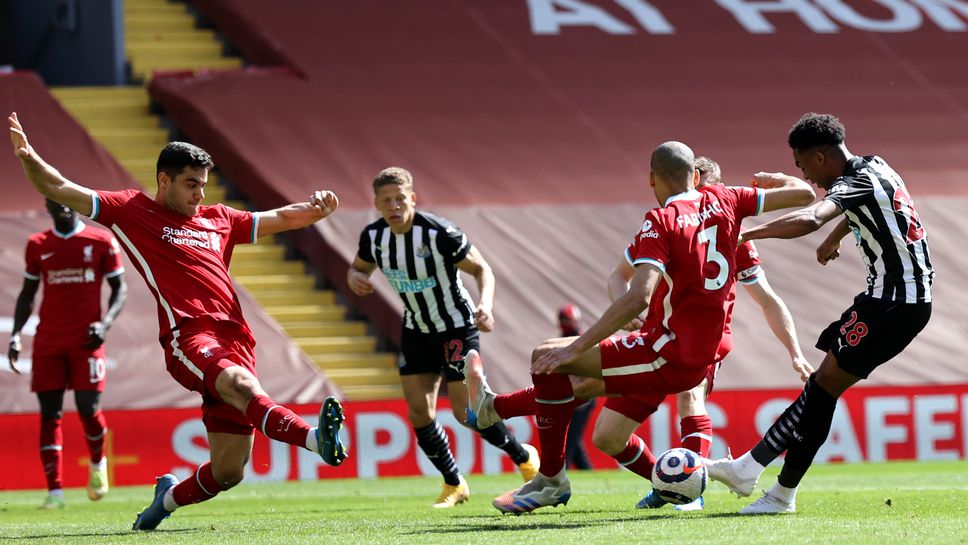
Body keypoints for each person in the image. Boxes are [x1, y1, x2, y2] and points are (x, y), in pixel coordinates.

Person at [9, 112, 349, 530]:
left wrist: (316, 208)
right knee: (243, 387)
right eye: (191, 184)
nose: (198, 195)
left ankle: (163, 502)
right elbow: (60, 188)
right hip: (187, 336)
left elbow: (281, 218)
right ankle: (318, 440)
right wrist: (28, 157)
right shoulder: (131, 210)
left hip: (237, 339)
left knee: (229, 471)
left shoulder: (219, 218)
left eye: (203, 185)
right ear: (163, 180)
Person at [465, 141, 815, 514]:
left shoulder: (662, 221)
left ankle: (536, 460)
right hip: (664, 342)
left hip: (674, 351)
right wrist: (776, 179)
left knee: (554, 357)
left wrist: (578, 345)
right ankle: (673, 486)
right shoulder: (728, 201)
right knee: (604, 432)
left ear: (651, 179)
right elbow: (806, 193)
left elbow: (638, 296)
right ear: (696, 179)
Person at [704, 113, 933, 514]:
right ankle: (768, 484)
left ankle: (759, 476)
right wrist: (836, 235)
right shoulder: (876, 166)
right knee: (822, 387)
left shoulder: (853, 182)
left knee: (822, 387)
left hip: (895, 304)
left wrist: (745, 233)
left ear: (821, 156)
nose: (805, 175)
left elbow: (811, 216)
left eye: (802, 165)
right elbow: (865, 207)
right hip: (892, 300)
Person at [611, 156, 814, 511]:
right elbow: (618, 276)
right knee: (607, 436)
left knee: (691, 399)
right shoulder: (665, 225)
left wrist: (795, 351)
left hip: (699, 344)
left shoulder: (734, 237)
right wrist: (629, 312)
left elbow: (768, 300)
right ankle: (671, 485)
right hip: (654, 341)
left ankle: (688, 492)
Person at [347, 167, 539, 508]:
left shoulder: (438, 233)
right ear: (376, 204)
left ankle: (522, 455)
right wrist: (354, 277)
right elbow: (358, 267)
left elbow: (482, 269)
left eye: (400, 199)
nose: (394, 206)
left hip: (455, 327)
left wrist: (486, 305)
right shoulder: (374, 238)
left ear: (413, 199)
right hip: (416, 330)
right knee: (419, 411)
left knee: (465, 413)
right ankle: (454, 483)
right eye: (385, 200)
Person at [7, 198, 127, 509]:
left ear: (74, 203)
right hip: (48, 342)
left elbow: (119, 288)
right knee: (50, 414)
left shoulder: (100, 240)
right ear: (46, 205)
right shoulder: (38, 244)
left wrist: (105, 324)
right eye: (53, 201)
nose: (60, 205)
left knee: (88, 407)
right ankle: (55, 492)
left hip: (86, 341)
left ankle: (98, 463)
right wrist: (17, 335)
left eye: (65, 200)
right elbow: (28, 293)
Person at [558, 305, 594, 471]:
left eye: (567, 320)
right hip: (570, 394)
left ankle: (561, 469)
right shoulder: (563, 338)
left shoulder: (582, 338)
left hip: (584, 395)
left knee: (570, 438)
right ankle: (587, 470)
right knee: (573, 437)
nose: (566, 323)